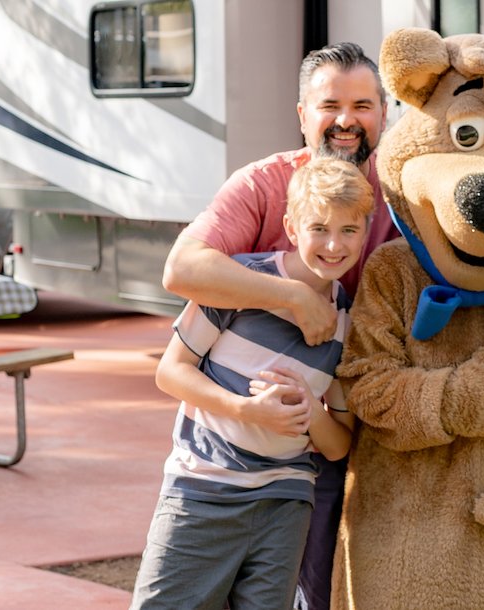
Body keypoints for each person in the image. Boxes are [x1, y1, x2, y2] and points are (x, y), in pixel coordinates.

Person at [160, 41, 397, 610]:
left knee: (310, 590)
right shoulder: (264, 184)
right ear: (302, 114)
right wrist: (292, 297)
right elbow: (182, 268)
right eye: (330, 104)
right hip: (223, 454)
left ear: (384, 114)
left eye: (363, 105)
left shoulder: (400, 199)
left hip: (324, 440)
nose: (346, 120)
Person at [131, 157, 368, 609]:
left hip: (286, 501)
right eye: (319, 228)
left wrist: (309, 409)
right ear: (291, 228)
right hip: (203, 488)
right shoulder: (240, 283)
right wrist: (245, 410)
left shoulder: (348, 325)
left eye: (349, 230)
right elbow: (171, 372)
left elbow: (338, 445)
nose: (334, 244)